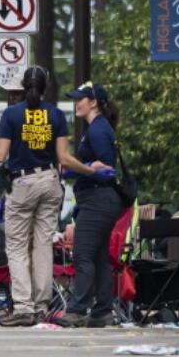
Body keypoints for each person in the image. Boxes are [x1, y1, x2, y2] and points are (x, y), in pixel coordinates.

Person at [0, 66, 106, 327]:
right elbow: (64, 158)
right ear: (45, 87)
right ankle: (41, 305)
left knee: (17, 246)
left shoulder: (12, 115)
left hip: (22, 183)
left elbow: (0, 156)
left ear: (24, 87)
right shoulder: (56, 115)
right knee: (43, 245)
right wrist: (90, 170)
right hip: (49, 180)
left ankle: (23, 306)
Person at [55, 82, 122, 328]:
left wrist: (80, 170)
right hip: (99, 199)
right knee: (98, 257)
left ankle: (76, 310)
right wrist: (77, 171)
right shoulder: (98, 128)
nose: (76, 103)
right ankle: (102, 311)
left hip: (98, 199)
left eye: (80, 99)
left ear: (93, 102)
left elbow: (105, 167)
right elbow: (93, 167)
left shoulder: (98, 130)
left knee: (83, 254)